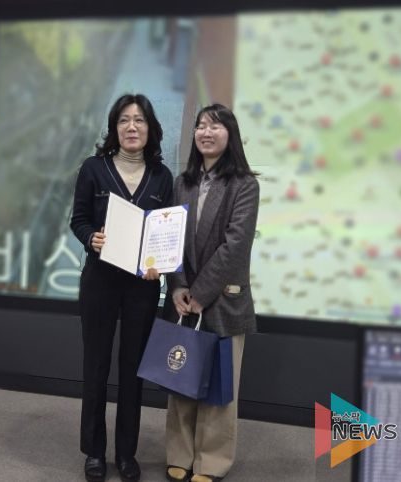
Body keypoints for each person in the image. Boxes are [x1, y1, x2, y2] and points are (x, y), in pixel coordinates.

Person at [70, 93, 173, 482]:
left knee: (133, 370)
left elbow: (166, 233)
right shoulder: (93, 169)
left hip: (141, 288)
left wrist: (160, 264)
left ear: (150, 129)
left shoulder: (162, 176)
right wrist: (90, 237)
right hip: (99, 282)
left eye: (139, 120)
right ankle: (94, 452)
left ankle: (127, 454)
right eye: (124, 120)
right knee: (95, 367)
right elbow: (78, 219)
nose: (132, 127)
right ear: (114, 128)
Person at [164, 104, 259, 482]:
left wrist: (200, 292)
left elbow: (235, 246)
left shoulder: (244, 184)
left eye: (215, 126)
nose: (206, 132)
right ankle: (180, 453)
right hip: (183, 300)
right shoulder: (182, 182)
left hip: (222, 299)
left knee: (219, 386)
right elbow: (169, 239)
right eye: (201, 125)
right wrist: (178, 286)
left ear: (229, 134)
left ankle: (212, 461)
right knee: (181, 376)